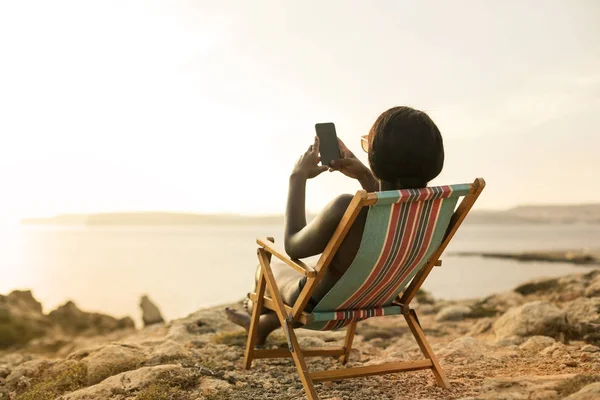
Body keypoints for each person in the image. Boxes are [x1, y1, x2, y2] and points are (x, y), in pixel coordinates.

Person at [225, 106, 445, 344]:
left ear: (376, 158)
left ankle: (252, 308)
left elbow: (293, 247)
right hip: (378, 298)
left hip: (321, 305)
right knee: (320, 273)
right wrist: (364, 175)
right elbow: (391, 204)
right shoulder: (435, 211)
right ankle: (260, 327)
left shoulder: (345, 207)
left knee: (268, 267)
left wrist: (297, 178)